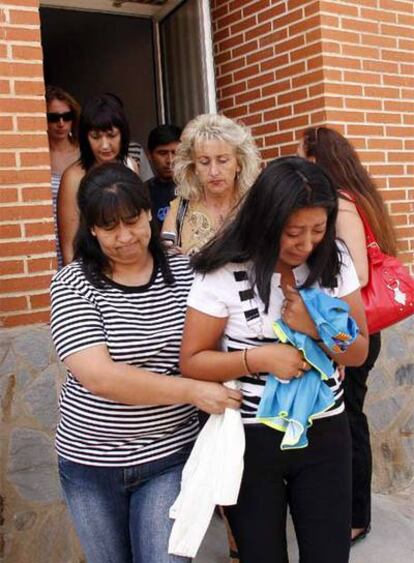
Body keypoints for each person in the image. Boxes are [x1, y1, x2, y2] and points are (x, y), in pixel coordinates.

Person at [179, 157, 369, 563]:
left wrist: (315, 327)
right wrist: (258, 358)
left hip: (326, 433)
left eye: (318, 230)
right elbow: (193, 360)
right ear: (265, 221)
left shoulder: (334, 259)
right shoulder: (223, 269)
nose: (306, 245)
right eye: (293, 233)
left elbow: (358, 350)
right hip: (252, 439)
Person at [50, 162, 241, 563]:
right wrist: (191, 391)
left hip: (169, 457)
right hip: (91, 463)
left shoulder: (187, 272)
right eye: (108, 227)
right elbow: (99, 376)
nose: (124, 237)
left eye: (132, 220)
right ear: (91, 229)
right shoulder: (73, 283)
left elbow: (227, 336)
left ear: (148, 215)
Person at [298, 126, 398, 544]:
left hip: (350, 326)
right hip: (350, 326)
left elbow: (354, 272)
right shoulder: (356, 196)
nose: (300, 165)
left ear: (320, 160)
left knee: (350, 419)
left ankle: (357, 516)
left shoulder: (342, 203)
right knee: (348, 415)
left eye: (303, 157)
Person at [57, 93, 138, 265]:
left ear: (123, 134)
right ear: (85, 138)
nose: (105, 145)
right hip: (90, 268)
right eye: (95, 137)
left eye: (111, 135)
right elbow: (69, 246)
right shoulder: (74, 177)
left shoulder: (130, 166)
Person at [162, 113, 261, 254]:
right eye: (204, 162)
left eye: (223, 160)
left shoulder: (256, 205)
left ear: (239, 163)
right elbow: (168, 265)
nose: (214, 171)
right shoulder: (179, 210)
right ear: (194, 167)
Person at [45, 85, 80, 268]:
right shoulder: (36, 155)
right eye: (53, 118)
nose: (61, 123)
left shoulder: (84, 153)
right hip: (48, 240)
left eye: (67, 117)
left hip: (81, 239)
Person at [144, 124, 182, 228]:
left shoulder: (195, 189)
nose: (170, 160)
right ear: (150, 156)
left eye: (175, 152)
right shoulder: (143, 193)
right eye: (162, 153)